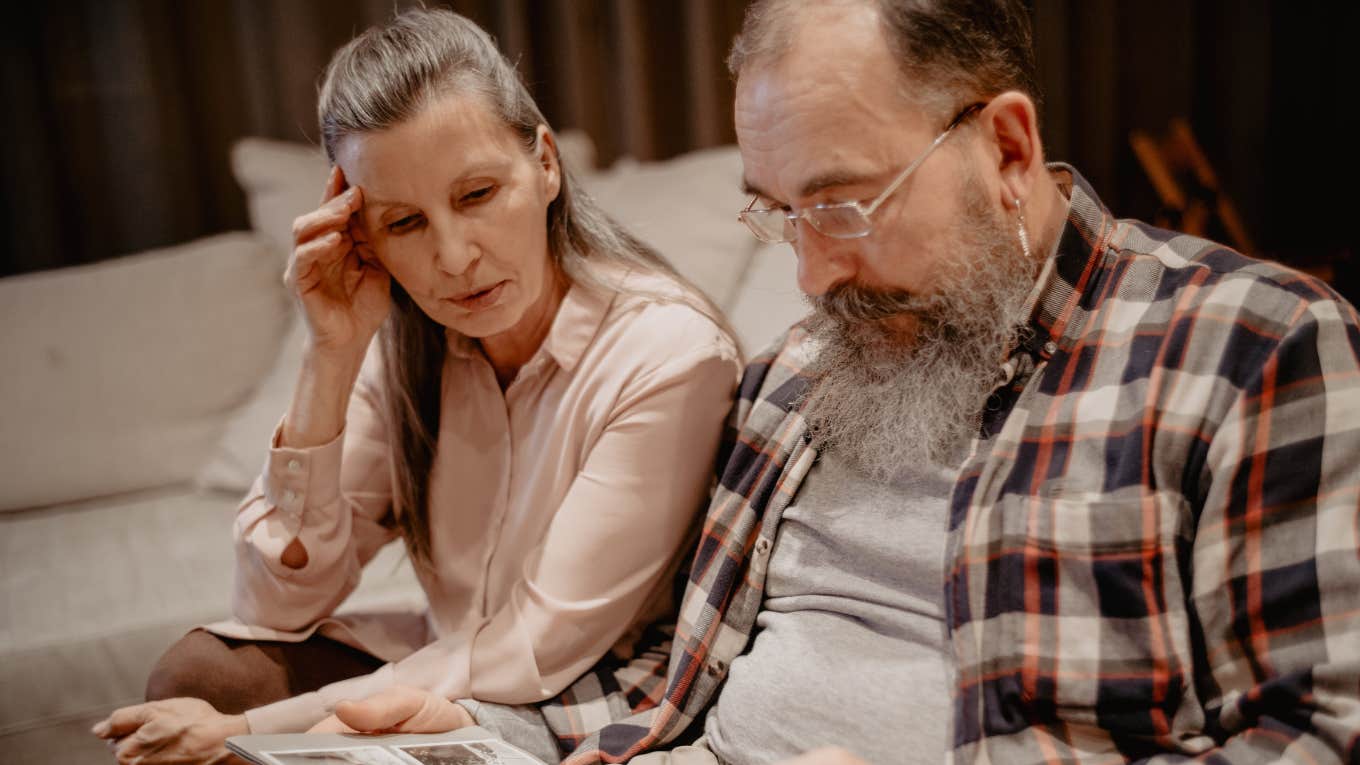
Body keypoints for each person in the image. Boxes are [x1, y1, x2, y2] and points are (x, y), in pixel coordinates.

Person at [306, 0, 1360, 763]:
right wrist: (481, 729)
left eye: (843, 206)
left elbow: (1312, 735)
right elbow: (674, 673)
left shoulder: (1254, 351)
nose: (810, 277)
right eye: (779, 212)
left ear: (1004, 144)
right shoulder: (798, 379)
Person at [91, 8, 741, 764]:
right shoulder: (405, 344)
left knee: (231, 721)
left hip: (592, 679)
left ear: (546, 164)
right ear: (360, 231)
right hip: (461, 654)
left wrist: (252, 731)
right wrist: (329, 355)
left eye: (476, 195)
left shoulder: (667, 353)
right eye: (405, 223)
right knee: (200, 674)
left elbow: (539, 641)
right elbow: (275, 604)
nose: (455, 257)